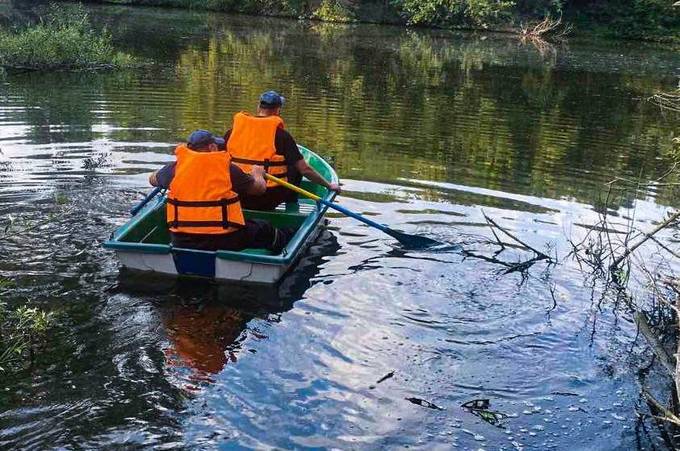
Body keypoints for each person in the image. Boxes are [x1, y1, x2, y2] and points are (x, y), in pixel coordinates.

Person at [149, 130, 295, 253]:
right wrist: (257, 173)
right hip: (223, 240)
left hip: (182, 240)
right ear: (212, 147)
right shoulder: (227, 169)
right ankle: (285, 246)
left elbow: (152, 179)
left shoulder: (173, 169)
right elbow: (259, 189)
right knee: (264, 229)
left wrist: (162, 174)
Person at [225, 90, 341, 211]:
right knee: (295, 165)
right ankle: (291, 205)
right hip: (267, 198)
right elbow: (305, 169)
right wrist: (329, 185)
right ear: (278, 110)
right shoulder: (282, 135)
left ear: (258, 106)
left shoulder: (233, 132)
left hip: (236, 195)